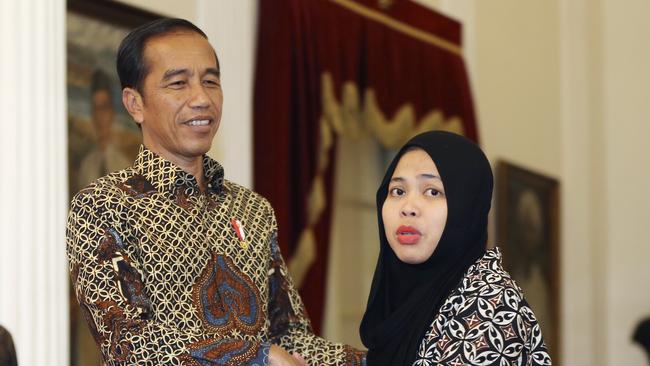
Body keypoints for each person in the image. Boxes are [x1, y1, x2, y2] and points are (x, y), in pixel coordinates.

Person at [66, 18, 365, 366]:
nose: (201, 98)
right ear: (135, 104)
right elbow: (130, 345)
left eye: (210, 81)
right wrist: (257, 357)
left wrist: (375, 360)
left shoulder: (253, 209)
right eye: (178, 83)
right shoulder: (103, 206)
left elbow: (291, 337)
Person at [359, 131, 551, 365]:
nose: (408, 207)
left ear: (466, 207)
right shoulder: (404, 301)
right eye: (398, 191)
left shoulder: (491, 310)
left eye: (432, 191)